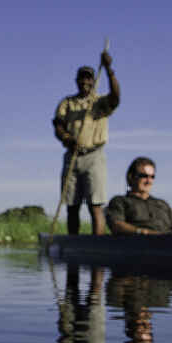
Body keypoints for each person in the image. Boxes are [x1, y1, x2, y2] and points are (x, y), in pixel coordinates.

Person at [52, 50, 120, 235]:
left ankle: (97, 245)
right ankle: (74, 244)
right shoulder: (67, 103)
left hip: (94, 156)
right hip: (73, 156)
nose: (85, 82)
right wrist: (67, 139)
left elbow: (116, 97)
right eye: (81, 79)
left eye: (88, 79)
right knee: (72, 206)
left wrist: (108, 69)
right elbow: (58, 126)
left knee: (95, 205)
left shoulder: (99, 102)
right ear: (76, 81)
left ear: (93, 81)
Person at [106, 157, 172, 236]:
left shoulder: (161, 204)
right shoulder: (120, 201)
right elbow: (116, 224)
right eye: (144, 176)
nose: (148, 181)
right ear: (131, 177)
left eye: (152, 177)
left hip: (168, 243)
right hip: (141, 245)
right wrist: (142, 232)